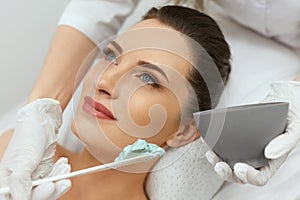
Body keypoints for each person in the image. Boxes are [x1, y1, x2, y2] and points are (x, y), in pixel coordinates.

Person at [0, 0, 299, 198]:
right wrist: (42, 105)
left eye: (147, 79)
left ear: (184, 131)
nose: (105, 81)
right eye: (111, 56)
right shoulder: (9, 153)